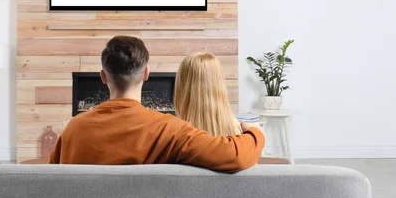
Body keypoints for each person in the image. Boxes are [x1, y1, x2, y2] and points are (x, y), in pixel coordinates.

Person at [49, 36, 265, 172]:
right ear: (146, 74)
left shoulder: (73, 130)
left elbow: (51, 185)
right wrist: (255, 132)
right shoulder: (169, 130)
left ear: (103, 77)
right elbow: (234, 156)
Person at [174, 52, 286, 165]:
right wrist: (255, 131)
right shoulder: (244, 143)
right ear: (220, 86)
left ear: (181, 89)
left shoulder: (173, 143)